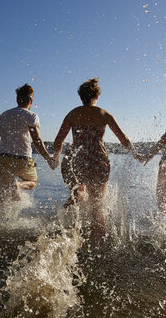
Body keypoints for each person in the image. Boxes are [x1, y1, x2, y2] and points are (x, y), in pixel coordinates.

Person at [51, 78, 138, 246]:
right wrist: (136, 154)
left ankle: (64, 232)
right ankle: (96, 245)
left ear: (81, 97)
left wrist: (56, 157)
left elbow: (58, 142)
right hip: (97, 160)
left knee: (76, 195)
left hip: (76, 160)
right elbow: (124, 139)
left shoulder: (72, 114)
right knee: (96, 205)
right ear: (96, 96)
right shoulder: (103, 114)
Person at [0, 84, 53, 202]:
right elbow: (36, 140)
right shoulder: (31, 116)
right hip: (23, 159)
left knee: (3, 197)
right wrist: (48, 157)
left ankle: (0, 218)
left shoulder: (4, 115)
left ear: (17, 99)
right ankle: (18, 186)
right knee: (33, 182)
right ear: (31, 100)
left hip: (3, 159)